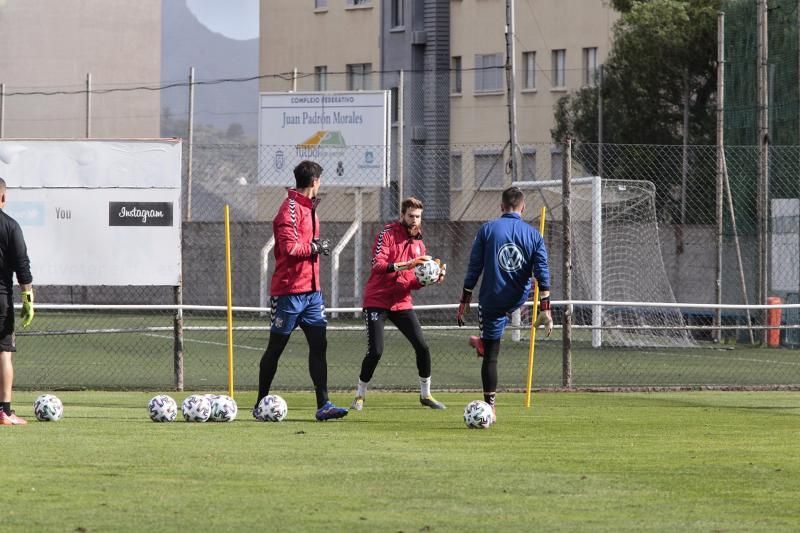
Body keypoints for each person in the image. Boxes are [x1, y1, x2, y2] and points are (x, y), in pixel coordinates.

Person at [255, 160, 348, 421]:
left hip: (312, 293)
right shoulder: (290, 209)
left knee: (319, 346)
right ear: (315, 181)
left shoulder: (311, 210)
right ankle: (260, 403)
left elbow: (304, 244)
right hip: (288, 293)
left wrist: (315, 245)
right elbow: (289, 249)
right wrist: (316, 248)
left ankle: (323, 404)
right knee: (275, 349)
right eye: (321, 180)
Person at [456, 186, 552, 420]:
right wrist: (546, 309)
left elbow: (474, 268)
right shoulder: (533, 235)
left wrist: (464, 300)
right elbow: (542, 272)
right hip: (519, 296)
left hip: (492, 298)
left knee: (491, 355)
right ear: (523, 207)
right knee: (490, 340)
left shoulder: (487, 230)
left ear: (501, 207)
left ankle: (491, 406)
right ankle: (486, 340)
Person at [351, 197, 447, 411]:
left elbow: (413, 281)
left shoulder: (419, 244)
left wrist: (430, 279)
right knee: (376, 351)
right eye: (411, 216)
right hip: (377, 300)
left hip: (401, 301)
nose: (414, 220)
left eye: (418, 217)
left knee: (422, 347)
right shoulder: (387, 234)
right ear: (402, 215)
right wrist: (408, 264)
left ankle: (426, 395)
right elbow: (378, 265)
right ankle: (360, 394)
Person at [0, 177, 34, 426]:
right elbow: (22, 265)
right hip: (1, 300)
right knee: (3, 353)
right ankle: (4, 412)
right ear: (3, 197)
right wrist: (27, 297)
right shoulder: (11, 226)